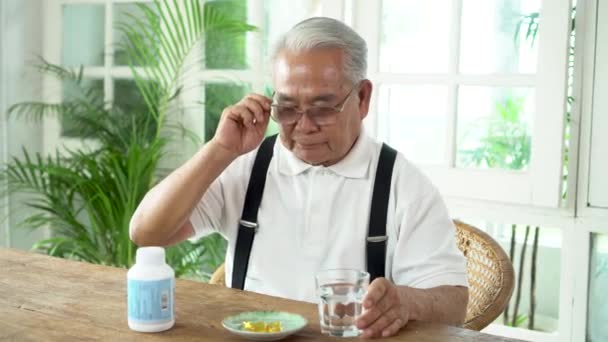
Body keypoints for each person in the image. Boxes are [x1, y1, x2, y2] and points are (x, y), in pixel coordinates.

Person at [130, 17, 468, 338]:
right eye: (287, 108)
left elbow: (454, 305)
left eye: (323, 108)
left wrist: (407, 302)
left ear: (362, 98)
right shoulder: (248, 165)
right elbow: (147, 232)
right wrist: (220, 149)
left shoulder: (402, 185)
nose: (304, 127)